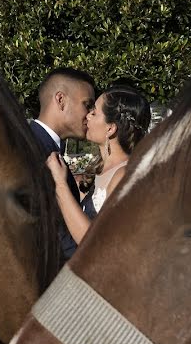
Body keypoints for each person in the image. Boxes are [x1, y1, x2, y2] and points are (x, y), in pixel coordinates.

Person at [46, 84, 150, 244]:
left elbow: (94, 243)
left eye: (94, 112)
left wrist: (60, 184)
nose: (87, 116)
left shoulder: (124, 175)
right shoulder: (101, 169)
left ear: (110, 129)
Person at [29, 67, 96, 260]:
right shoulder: (34, 149)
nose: (90, 114)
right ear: (60, 100)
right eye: (87, 104)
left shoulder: (46, 146)